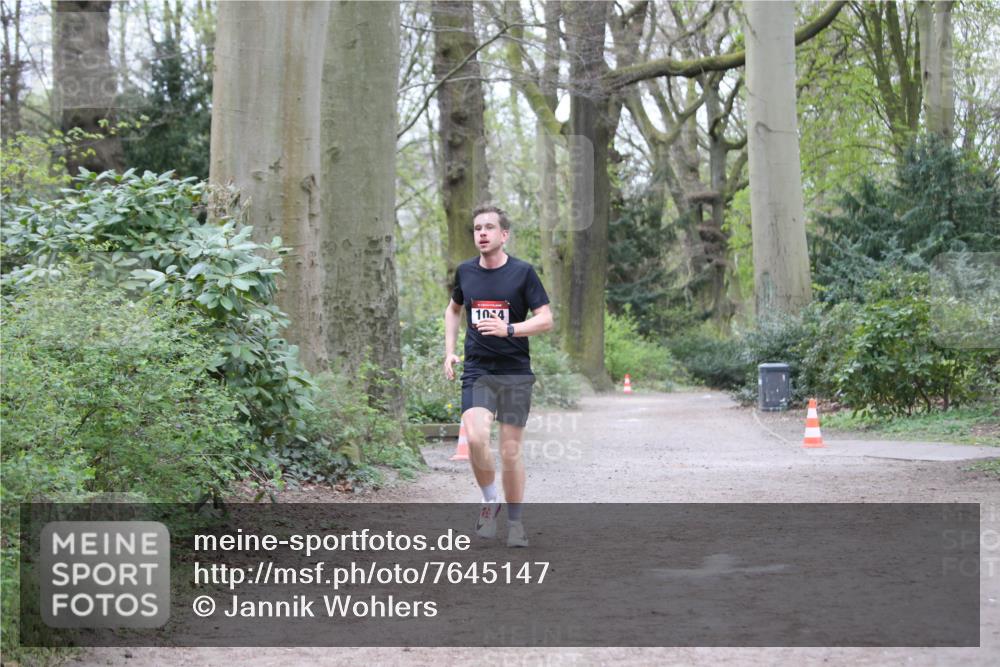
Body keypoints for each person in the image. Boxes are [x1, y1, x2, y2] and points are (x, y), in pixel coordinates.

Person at [443, 204, 553, 547]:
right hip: (478, 370)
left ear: (504, 235)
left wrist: (510, 329)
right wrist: (449, 351)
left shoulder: (523, 273)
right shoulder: (465, 272)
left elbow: (546, 320)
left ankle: (516, 524)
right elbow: (453, 309)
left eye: (489, 227)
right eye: (477, 228)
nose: (482, 233)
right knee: (476, 439)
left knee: (509, 451)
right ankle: (490, 501)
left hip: (515, 373)